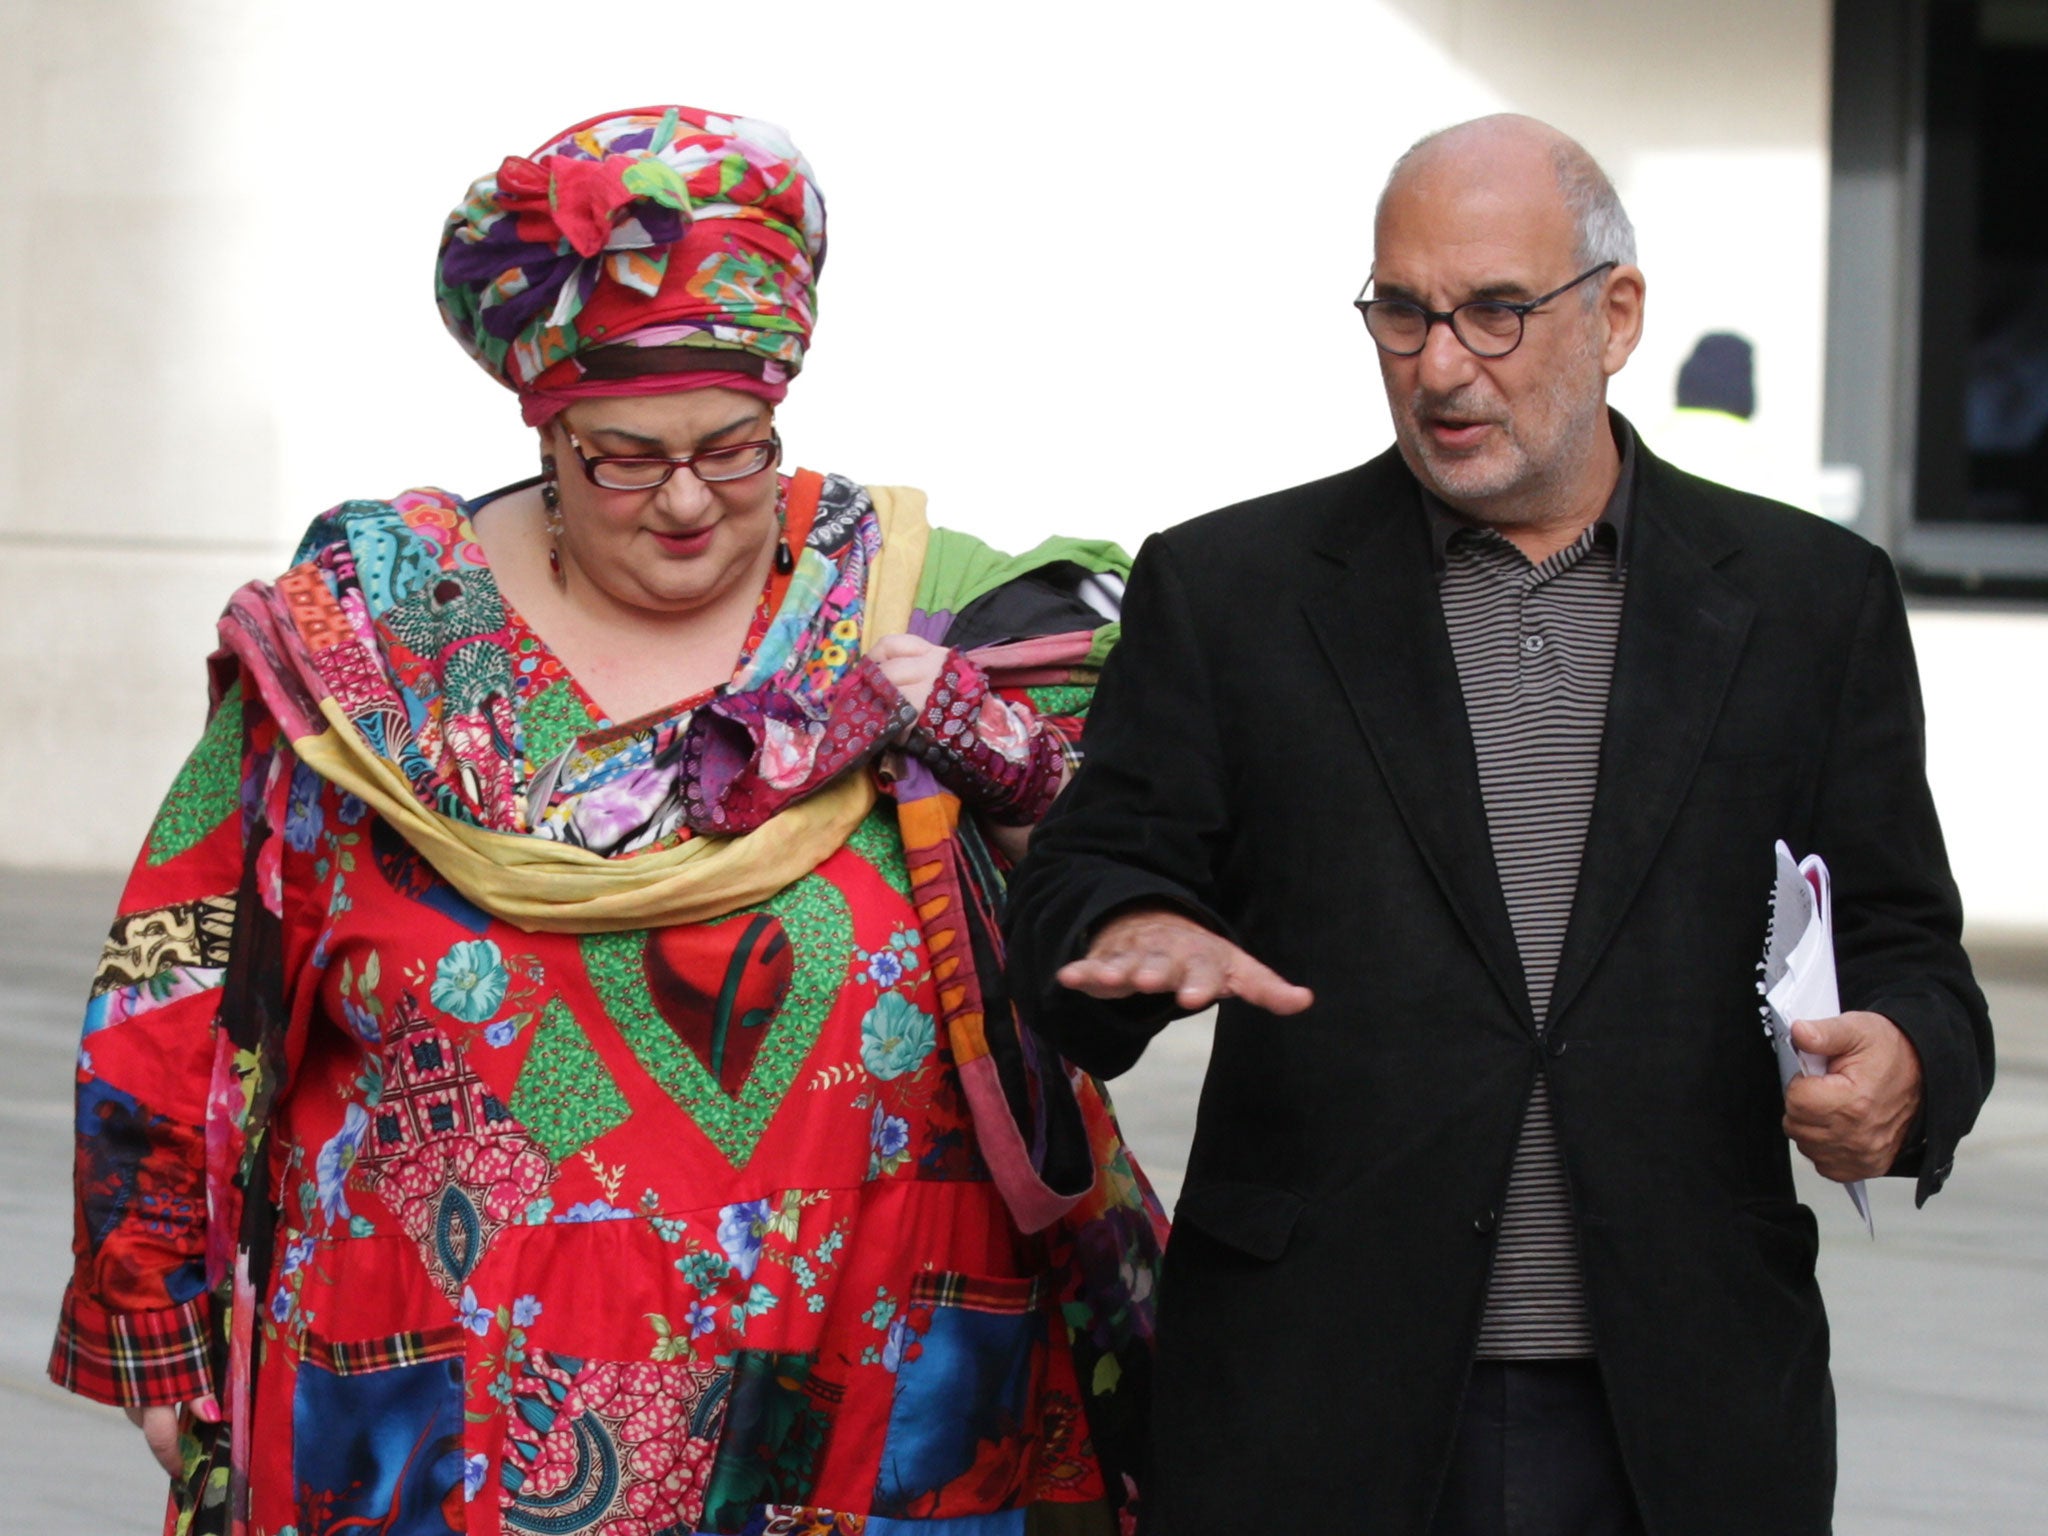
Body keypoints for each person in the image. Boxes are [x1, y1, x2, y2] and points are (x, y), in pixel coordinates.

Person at [51, 105, 1163, 1536]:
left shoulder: (923, 609)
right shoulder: (371, 649)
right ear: (546, 432)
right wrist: (158, 1324)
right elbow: (182, 963)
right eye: (626, 459)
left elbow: (1143, 815)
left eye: (734, 449)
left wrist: (984, 740)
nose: (691, 502)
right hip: (438, 1423)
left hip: (868, 1398)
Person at [1004, 114, 1994, 1536]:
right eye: (1401, 313)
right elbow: (1086, 881)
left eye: (1493, 312)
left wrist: (1903, 1060)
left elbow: (1910, 951)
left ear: (1618, 315)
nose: (1441, 365)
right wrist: (1126, 926)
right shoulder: (1233, 591)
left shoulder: (1806, 601)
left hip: (1684, 1401)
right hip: (1319, 1396)